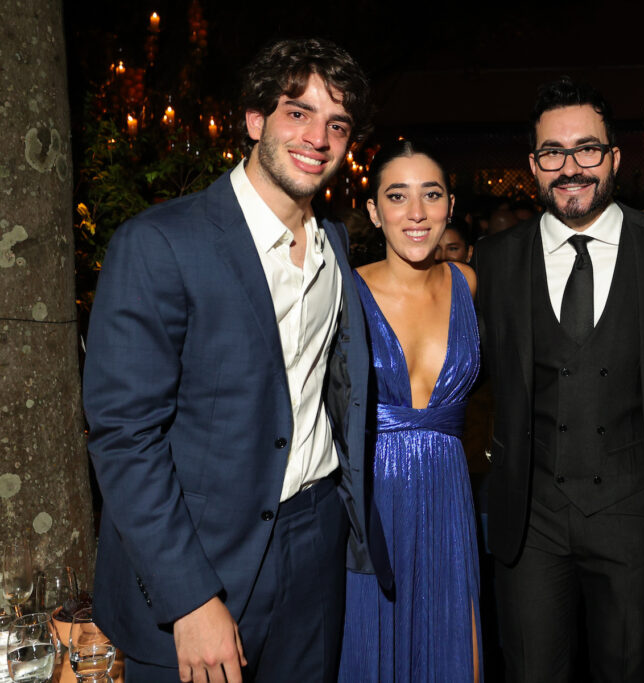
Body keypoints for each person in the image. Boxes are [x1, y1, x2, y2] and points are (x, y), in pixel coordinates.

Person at [82, 38, 389, 683]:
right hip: (200, 553)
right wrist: (188, 597)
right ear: (254, 120)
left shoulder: (334, 246)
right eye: (297, 113)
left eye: (337, 124)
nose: (318, 138)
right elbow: (125, 436)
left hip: (315, 541)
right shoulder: (159, 243)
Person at [473, 76, 644, 682]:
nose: (570, 168)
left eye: (587, 149)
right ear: (533, 166)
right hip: (529, 522)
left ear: (614, 157)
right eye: (552, 153)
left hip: (633, 517)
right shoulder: (494, 259)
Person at [339, 140, 482, 682]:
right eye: (397, 196)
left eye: (431, 195)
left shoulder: (467, 283)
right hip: (373, 499)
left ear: (450, 205)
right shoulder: (346, 291)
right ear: (374, 211)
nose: (416, 213)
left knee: (453, 649)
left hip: (449, 493)